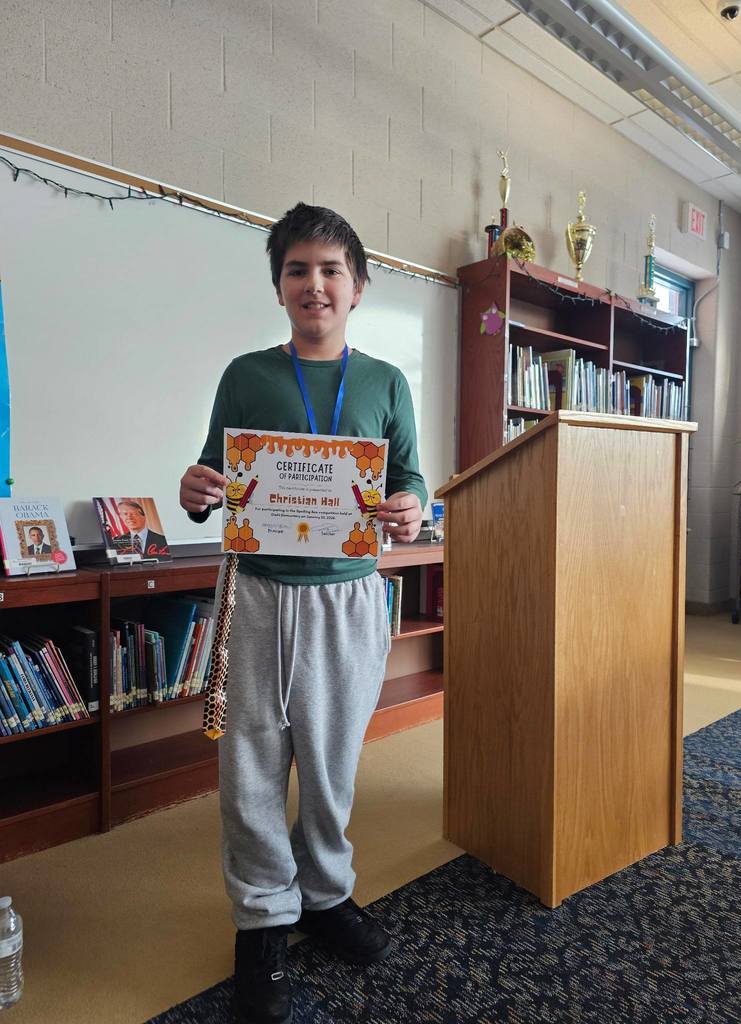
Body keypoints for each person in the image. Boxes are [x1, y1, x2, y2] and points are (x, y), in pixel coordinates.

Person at [179, 203, 427, 1024]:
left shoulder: (387, 382)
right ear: (279, 285)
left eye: (330, 270)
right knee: (250, 762)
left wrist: (408, 508)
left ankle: (325, 895)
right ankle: (262, 921)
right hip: (257, 593)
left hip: (348, 595)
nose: (313, 284)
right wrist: (195, 489)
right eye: (296, 270)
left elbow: (413, 480)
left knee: (330, 762)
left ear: (357, 286)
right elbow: (214, 478)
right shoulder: (246, 375)